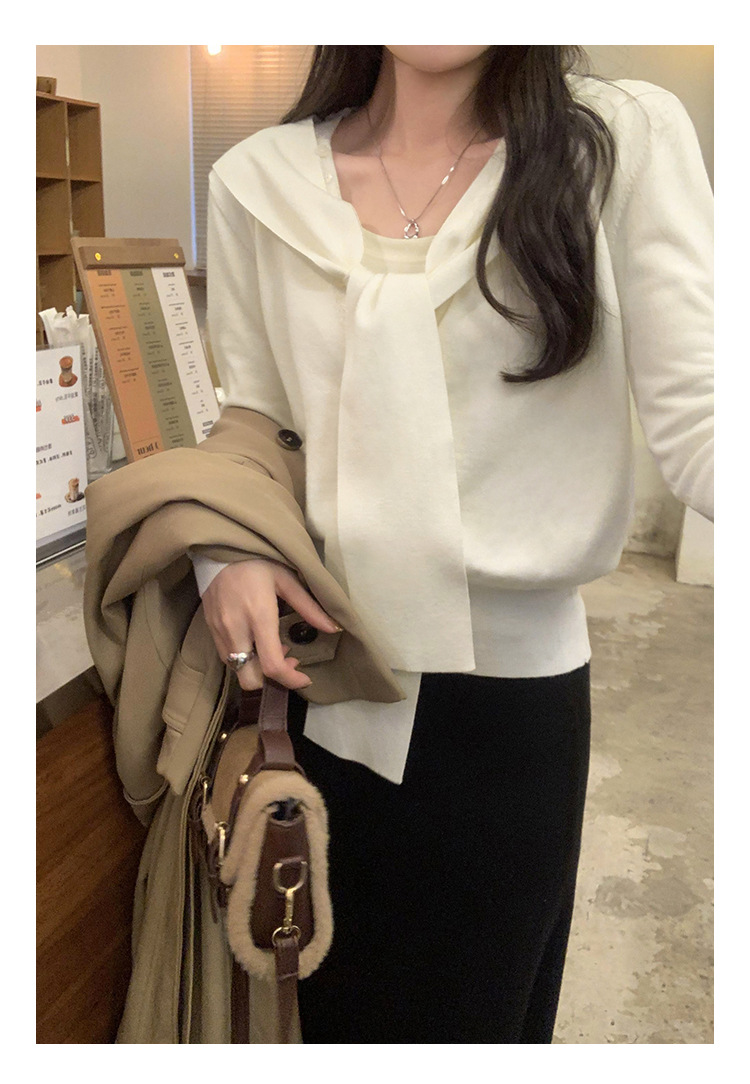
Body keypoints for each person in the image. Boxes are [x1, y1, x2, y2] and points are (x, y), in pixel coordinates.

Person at [187, 47, 713, 1042]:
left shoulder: (615, 143)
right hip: (318, 694)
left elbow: (705, 418)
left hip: (511, 721)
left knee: (480, 1019)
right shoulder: (258, 180)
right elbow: (253, 422)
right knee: (321, 1017)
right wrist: (228, 551)